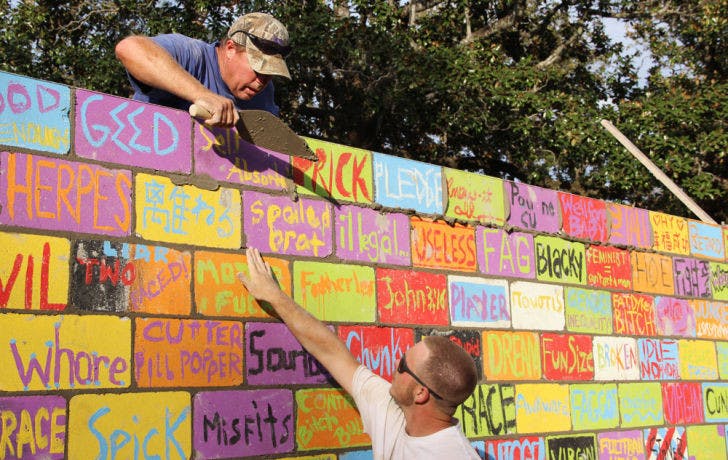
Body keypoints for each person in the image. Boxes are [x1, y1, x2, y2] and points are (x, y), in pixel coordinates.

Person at [238, 247, 480, 459]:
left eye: (404, 365)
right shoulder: (393, 411)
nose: (396, 361)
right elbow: (331, 352)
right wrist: (275, 297)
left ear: (420, 393)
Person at [115, 12, 291, 126]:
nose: (262, 81)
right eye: (258, 68)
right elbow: (129, 48)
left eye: (269, 73)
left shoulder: (264, 94)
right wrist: (202, 95)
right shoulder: (192, 55)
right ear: (230, 49)